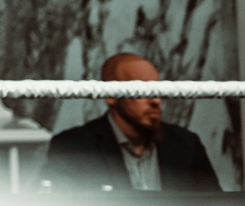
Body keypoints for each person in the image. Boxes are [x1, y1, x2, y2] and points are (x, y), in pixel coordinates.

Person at [43, 54, 222, 192]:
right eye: (142, 90)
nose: (155, 100)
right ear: (111, 95)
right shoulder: (73, 147)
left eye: (159, 90)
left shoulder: (186, 145)